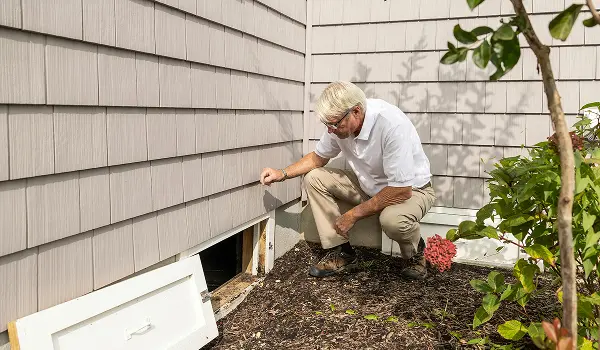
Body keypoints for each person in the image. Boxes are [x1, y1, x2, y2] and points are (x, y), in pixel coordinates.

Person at [260, 81, 435, 280]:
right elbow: (318, 158)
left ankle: (415, 252)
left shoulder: (391, 124)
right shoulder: (339, 125)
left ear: (357, 111)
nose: (331, 131)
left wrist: (352, 215)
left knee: (392, 221)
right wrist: (281, 173)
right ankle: (342, 252)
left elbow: (401, 190)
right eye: (327, 125)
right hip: (370, 187)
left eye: (335, 124)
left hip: (412, 191)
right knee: (314, 177)